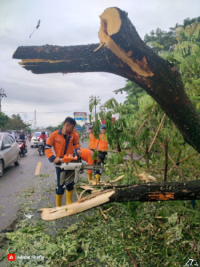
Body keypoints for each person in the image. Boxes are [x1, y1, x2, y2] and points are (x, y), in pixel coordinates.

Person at [45, 117, 81, 207]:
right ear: (66, 125)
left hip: (71, 162)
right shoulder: (54, 135)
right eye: (72, 127)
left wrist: (78, 149)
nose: (73, 129)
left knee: (70, 183)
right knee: (60, 185)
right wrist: (53, 158)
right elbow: (47, 147)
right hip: (60, 162)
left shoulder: (74, 135)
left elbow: (76, 144)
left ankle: (68, 204)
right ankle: (58, 206)